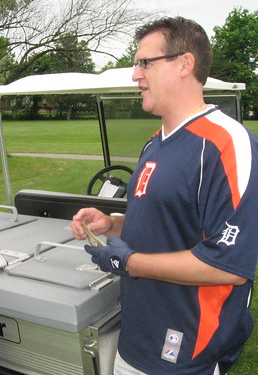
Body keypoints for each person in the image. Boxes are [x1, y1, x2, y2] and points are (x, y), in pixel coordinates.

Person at [71, 17, 257, 375]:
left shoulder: (226, 145)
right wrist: (111, 225)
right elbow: (165, 226)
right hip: (136, 340)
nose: (135, 75)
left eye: (144, 62)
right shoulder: (155, 142)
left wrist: (129, 263)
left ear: (185, 64)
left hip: (187, 352)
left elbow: (227, 265)